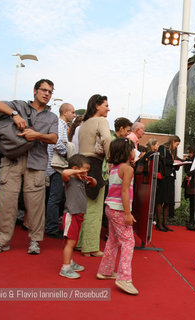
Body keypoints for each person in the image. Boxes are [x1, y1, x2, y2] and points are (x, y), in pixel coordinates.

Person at [0, 79, 58, 255]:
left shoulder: (52, 117)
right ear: (35, 91)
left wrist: (37, 135)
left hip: (36, 162)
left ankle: (34, 241)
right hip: (12, 159)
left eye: (50, 91)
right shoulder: (19, 105)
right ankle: (2, 241)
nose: (47, 94)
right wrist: (14, 114)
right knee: (6, 202)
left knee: (35, 205)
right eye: (44, 90)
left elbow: (54, 138)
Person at [97, 138, 138, 295]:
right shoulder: (127, 169)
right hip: (120, 210)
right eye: (133, 148)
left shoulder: (114, 168)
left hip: (110, 208)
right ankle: (124, 278)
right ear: (127, 152)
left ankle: (105, 270)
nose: (135, 151)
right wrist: (128, 213)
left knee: (113, 241)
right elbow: (125, 191)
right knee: (128, 242)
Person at [77, 94, 112, 257]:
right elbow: (107, 138)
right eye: (106, 105)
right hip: (95, 165)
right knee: (95, 208)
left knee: (83, 207)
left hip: (81, 164)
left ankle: (80, 243)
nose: (108, 108)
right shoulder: (101, 121)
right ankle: (90, 247)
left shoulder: (83, 124)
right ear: (97, 106)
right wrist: (111, 158)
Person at [59, 154, 97, 279]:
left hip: (79, 214)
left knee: (73, 242)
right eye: (84, 170)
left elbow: (94, 184)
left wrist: (91, 179)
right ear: (75, 168)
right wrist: (77, 172)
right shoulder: (70, 179)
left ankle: (70, 262)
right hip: (71, 213)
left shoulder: (81, 180)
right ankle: (65, 268)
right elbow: (64, 172)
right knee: (70, 243)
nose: (85, 173)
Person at [45, 103, 76, 239]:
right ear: (65, 112)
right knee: (55, 198)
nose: (74, 115)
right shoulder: (60, 124)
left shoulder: (61, 125)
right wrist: (67, 153)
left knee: (54, 197)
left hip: (54, 165)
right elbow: (58, 143)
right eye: (72, 112)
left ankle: (50, 225)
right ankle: (51, 227)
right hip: (55, 166)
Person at [154, 135, 180, 232]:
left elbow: (173, 163)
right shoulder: (162, 148)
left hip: (171, 178)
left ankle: (165, 223)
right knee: (160, 200)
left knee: (168, 201)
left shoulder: (173, 151)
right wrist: (173, 162)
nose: (177, 146)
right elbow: (162, 161)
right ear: (173, 141)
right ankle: (159, 223)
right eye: (176, 144)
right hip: (164, 178)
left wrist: (178, 164)